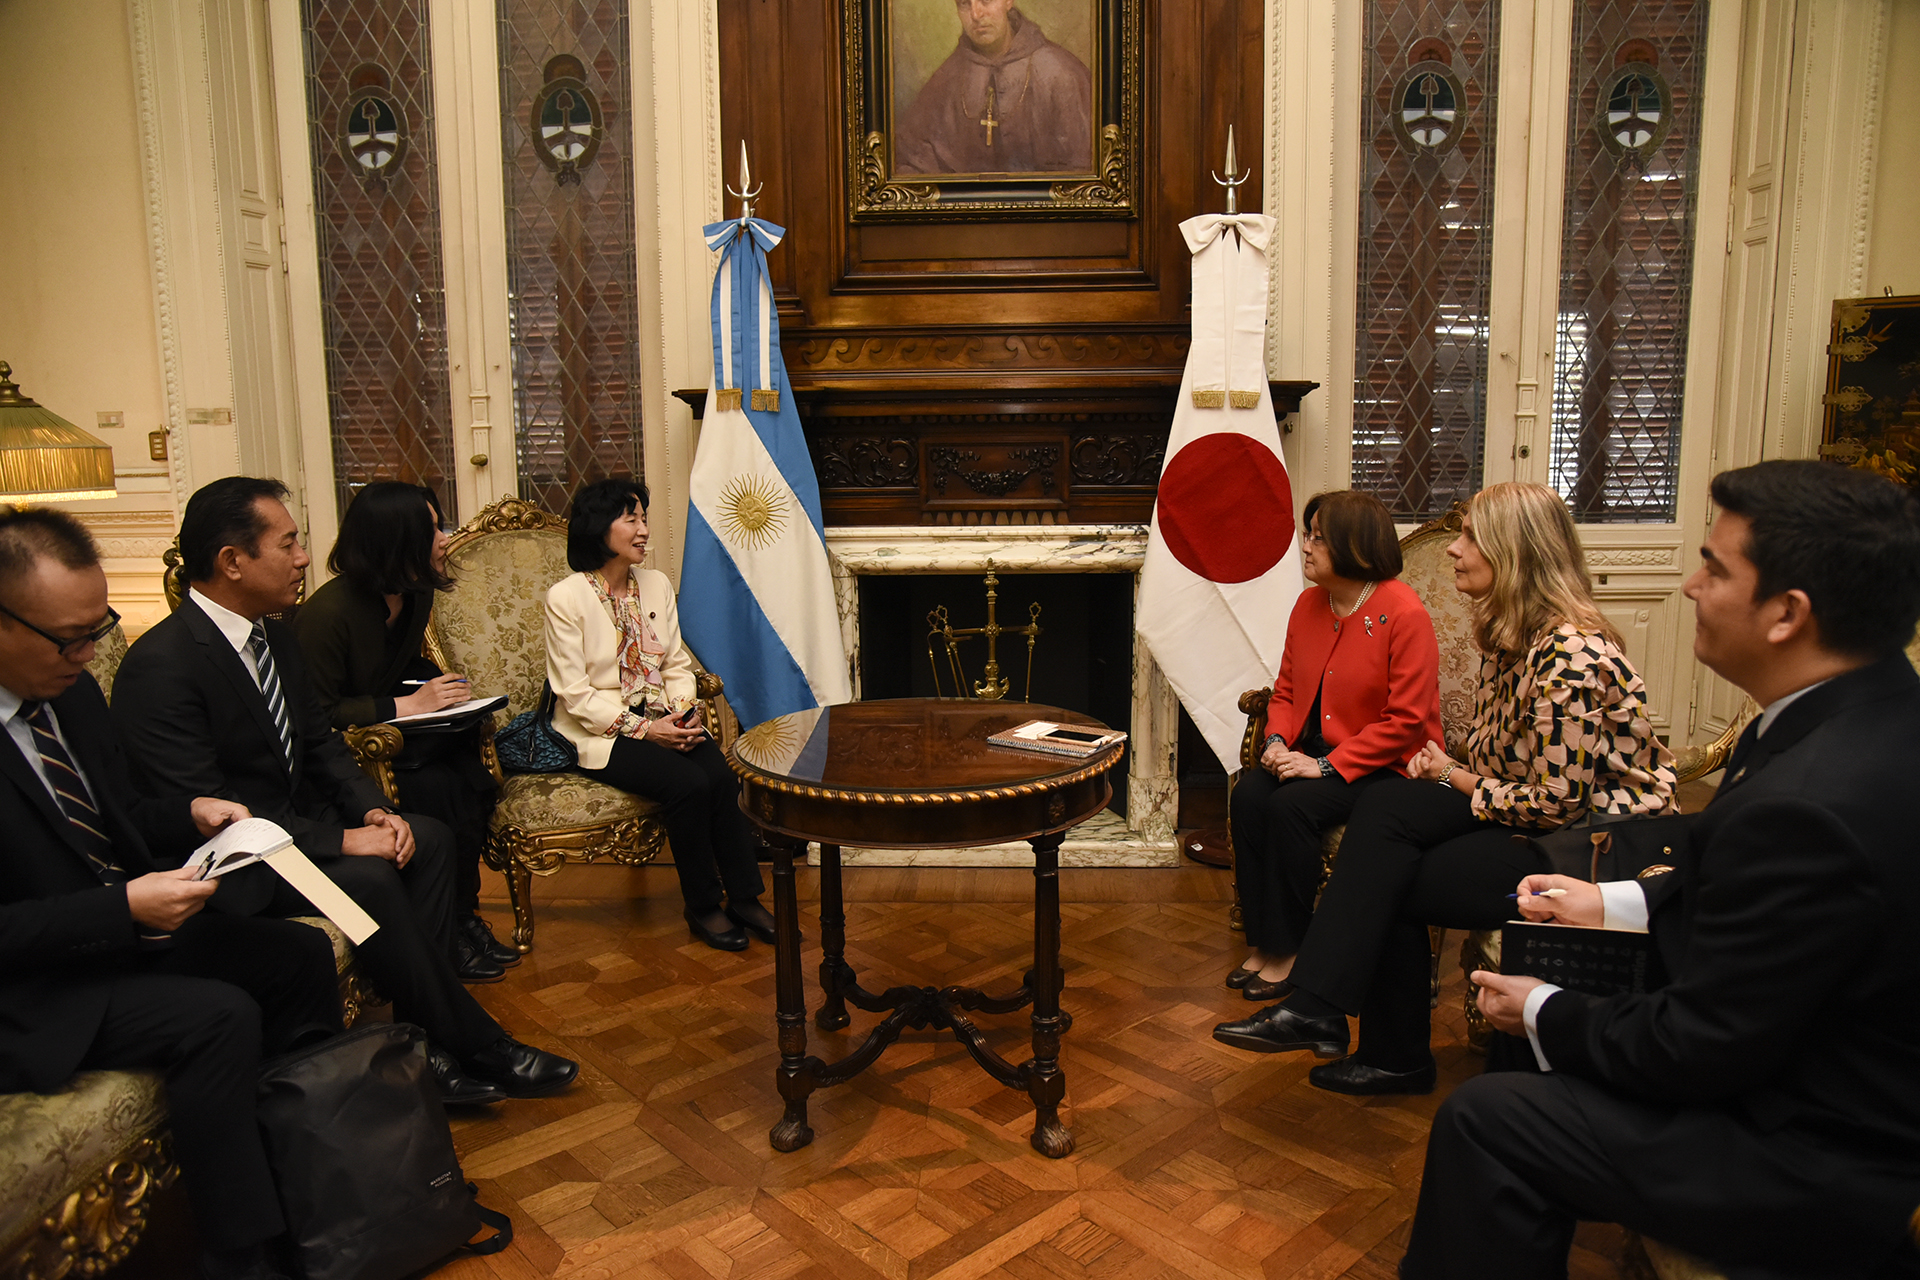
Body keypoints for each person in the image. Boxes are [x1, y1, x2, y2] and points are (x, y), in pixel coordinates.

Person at [1403, 461, 1920, 1278]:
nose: (1687, 585)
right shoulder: (1856, 712)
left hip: (1807, 1155)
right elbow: (1760, 905)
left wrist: (1545, 1009)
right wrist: (1609, 901)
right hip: (1809, 1079)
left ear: (1788, 613)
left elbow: (1699, 1048)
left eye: (1714, 567)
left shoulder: (1814, 803)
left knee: (1486, 1120)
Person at [113, 476, 577, 1106]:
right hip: (237, 861)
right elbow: (208, 814)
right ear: (232, 561)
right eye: (289, 543)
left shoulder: (273, 633)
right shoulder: (162, 666)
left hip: (296, 828)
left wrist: (375, 809)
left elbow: (322, 743)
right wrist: (341, 838)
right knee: (370, 878)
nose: (304, 557)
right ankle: (479, 1046)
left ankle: (429, 1047)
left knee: (430, 840)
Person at [1214, 482, 1677, 1094]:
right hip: (1521, 812)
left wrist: (1452, 775)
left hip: (1591, 844)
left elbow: (1553, 803)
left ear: (1513, 555)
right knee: (1384, 823)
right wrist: (1451, 768)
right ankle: (1349, 1028)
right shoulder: (1511, 638)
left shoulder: (1571, 654)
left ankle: (1361, 1034)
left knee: (1388, 864)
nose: (1452, 549)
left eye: (1469, 539)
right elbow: (1503, 762)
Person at [0, 508, 342, 1280]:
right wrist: (121, 909)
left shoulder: (70, 693)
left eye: (99, 629)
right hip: (32, 986)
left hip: (113, 936)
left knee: (294, 954)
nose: (88, 655)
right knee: (216, 1017)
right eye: (68, 638)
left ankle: (319, 1179)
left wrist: (190, 812)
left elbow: (120, 816)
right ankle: (243, 1254)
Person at [1227, 490, 1444, 1001]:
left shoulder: (1403, 613)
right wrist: (1277, 741)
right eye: (1308, 534)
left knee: (1292, 807)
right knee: (1251, 795)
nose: (1305, 546)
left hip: (1385, 767)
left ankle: (1295, 948)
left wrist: (1324, 766)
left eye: (1318, 538)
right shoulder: (1308, 605)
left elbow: (1407, 722)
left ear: (1356, 546)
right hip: (1311, 754)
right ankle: (1264, 942)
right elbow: (1284, 690)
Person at [294, 481, 514, 982]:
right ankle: (443, 934)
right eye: (432, 527)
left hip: (406, 741)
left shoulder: (413, 595)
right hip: (347, 762)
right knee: (439, 791)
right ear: (396, 540)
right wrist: (405, 703)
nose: (444, 538)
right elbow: (317, 711)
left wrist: (442, 687)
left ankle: (464, 919)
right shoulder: (327, 616)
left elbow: (399, 663)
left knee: (473, 783)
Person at [545, 477, 774, 951]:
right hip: (598, 733)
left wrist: (683, 714)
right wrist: (648, 731)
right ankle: (704, 906)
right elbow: (575, 695)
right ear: (597, 527)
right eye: (631, 518)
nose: (644, 529)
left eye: (644, 518)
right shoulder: (566, 598)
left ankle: (746, 897)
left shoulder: (656, 584)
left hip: (664, 718)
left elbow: (675, 666)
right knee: (687, 785)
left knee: (721, 773)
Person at [894, 0, 1093, 175]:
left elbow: (1084, 174)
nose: (976, 14)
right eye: (964, 4)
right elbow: (908, 161)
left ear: (1008, 1)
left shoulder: (1062, 74)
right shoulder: (947, 77)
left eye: (986, 0)